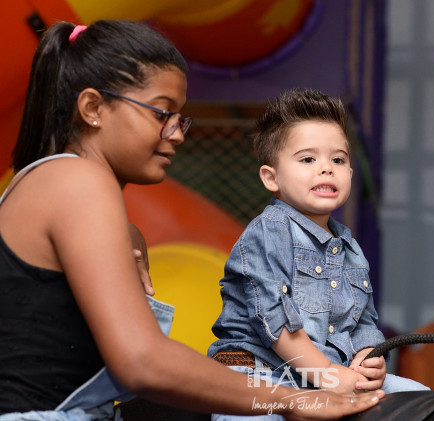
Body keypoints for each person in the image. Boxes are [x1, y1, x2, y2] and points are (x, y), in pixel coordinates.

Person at [0, 21, 384, 420]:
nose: (177, 133)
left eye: (180, 118)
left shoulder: (81, 197)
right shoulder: (77, 180)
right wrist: (290, 398)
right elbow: (141, 361)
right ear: (93, 108)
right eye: (161, 113)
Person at [208, 88, 429, 420]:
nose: (326, 168)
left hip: (329, 375)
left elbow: (363, 321)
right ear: (271, 177)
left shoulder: (349, 247)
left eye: (338, 160)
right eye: (308, 159)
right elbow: (274, 320)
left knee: (422, 399)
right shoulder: (268, 232)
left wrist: (368, 358)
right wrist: (325, 373)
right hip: (260, 373)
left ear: (350, 174)